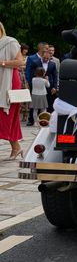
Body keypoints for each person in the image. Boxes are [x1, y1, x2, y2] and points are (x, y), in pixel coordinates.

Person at [0, 21, 26, 159]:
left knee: (7, 115)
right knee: (6, 117)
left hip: (9, 83)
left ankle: (16, 148)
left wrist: (2, 63)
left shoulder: (10, 42)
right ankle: (16, 148)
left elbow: (20, 62)